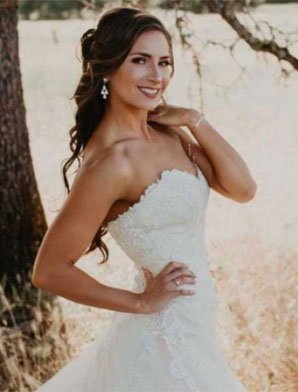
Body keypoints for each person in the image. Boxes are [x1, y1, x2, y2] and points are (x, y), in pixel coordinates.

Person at [31, 7, 256, 391]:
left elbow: (243, 189)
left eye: (165, 62)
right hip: (162, 337)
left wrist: (194, 120)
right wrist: (139, 302)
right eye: (140, 61)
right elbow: (49, 270)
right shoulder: (111, 163)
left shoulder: (169, 135)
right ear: (108, 68)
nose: (157, 76)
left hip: (195, 324)